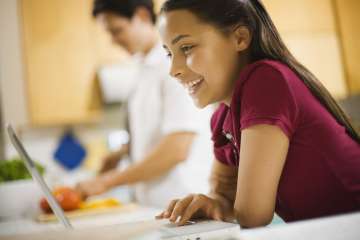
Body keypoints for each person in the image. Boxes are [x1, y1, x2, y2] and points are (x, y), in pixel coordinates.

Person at [156, 0, 360, 228]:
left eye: (186, 48)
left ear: (240, 38)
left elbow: (252, 215)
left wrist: (225, 204)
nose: (174, 70)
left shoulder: (267, 81)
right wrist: (213, 203)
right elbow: (224, 197)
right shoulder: (223, 115)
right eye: (168, 54)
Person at [76, 0, 214, 208]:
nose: (113, 40)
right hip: (157, 207)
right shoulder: (142, 69)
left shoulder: (174, 68)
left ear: (142, 16)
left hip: (187, 207)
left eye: (117, 30)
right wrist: (122, 153)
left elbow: (177, 148)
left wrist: (106, 182)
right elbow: (154, 134)